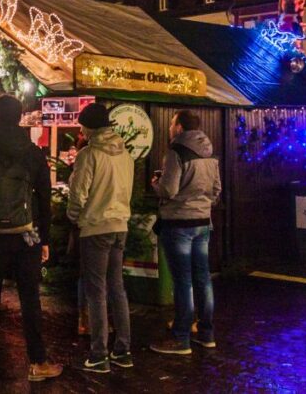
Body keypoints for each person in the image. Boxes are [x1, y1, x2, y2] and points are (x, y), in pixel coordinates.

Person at [0, 94, 61, 382]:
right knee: (30, 297)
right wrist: (44, 238)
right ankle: (37, 362)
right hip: (25, 234)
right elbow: (45, 197)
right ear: (19, 117)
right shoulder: (32, 152)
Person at [67, 103, 134, 373]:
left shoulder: (90, 154)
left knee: (96, 291)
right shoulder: (125, 154)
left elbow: (78, 193)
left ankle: (98, 354)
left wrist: (74, 216)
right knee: (117, 288)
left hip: (96, 227)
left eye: (83, 125)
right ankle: (123, 349)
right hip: (120, 226)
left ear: (90, 127)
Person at [150, 110, 221, 355]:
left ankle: (181, 338)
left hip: (179, 223)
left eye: (172, 123)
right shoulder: (209, 154)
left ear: (179, 127)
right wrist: (200, 202)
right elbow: (216, 190)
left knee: (183, 280)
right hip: (203, 222)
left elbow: (168, 190)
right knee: (202, 277)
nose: (170, 127)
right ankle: (206, 333)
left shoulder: (176, 152)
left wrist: (156, 184)